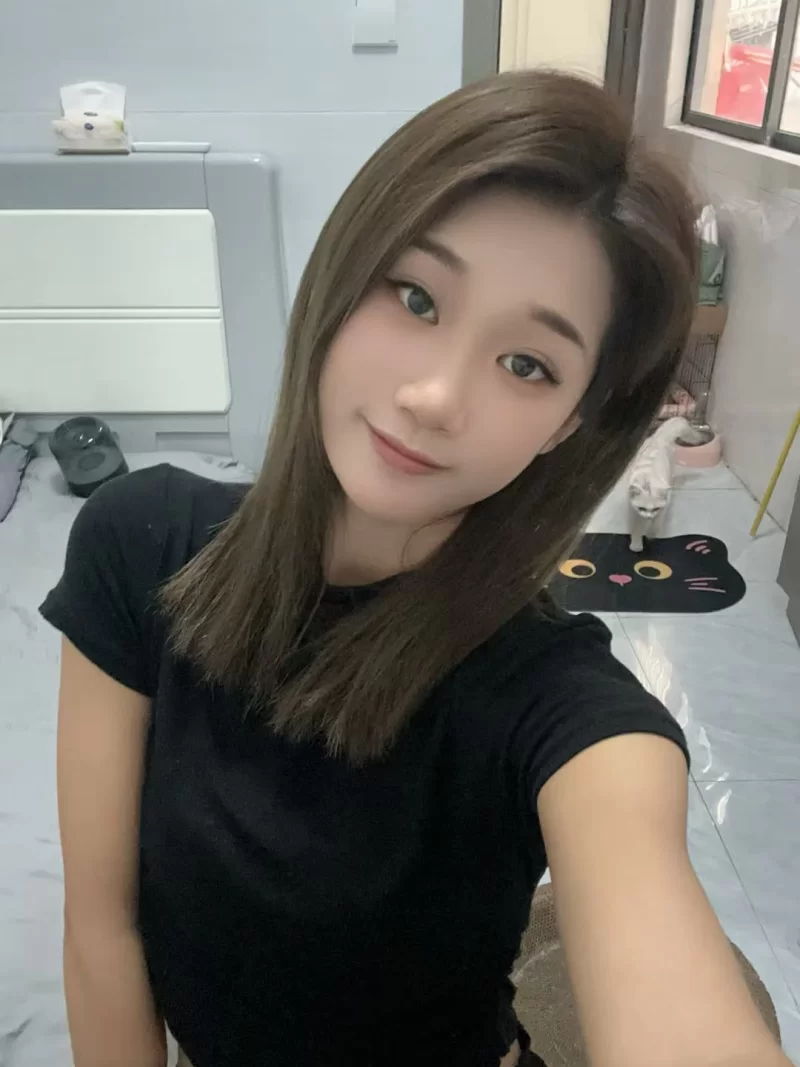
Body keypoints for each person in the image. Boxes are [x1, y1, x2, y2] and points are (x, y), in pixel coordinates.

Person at [40, 70, 789, 1067]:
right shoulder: (140, 544)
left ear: (566, 423)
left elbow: (640, 883)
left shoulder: (555, 700)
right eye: (417, 296)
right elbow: (102, 930)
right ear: (344, 273)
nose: (435, 396)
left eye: (527, 363)